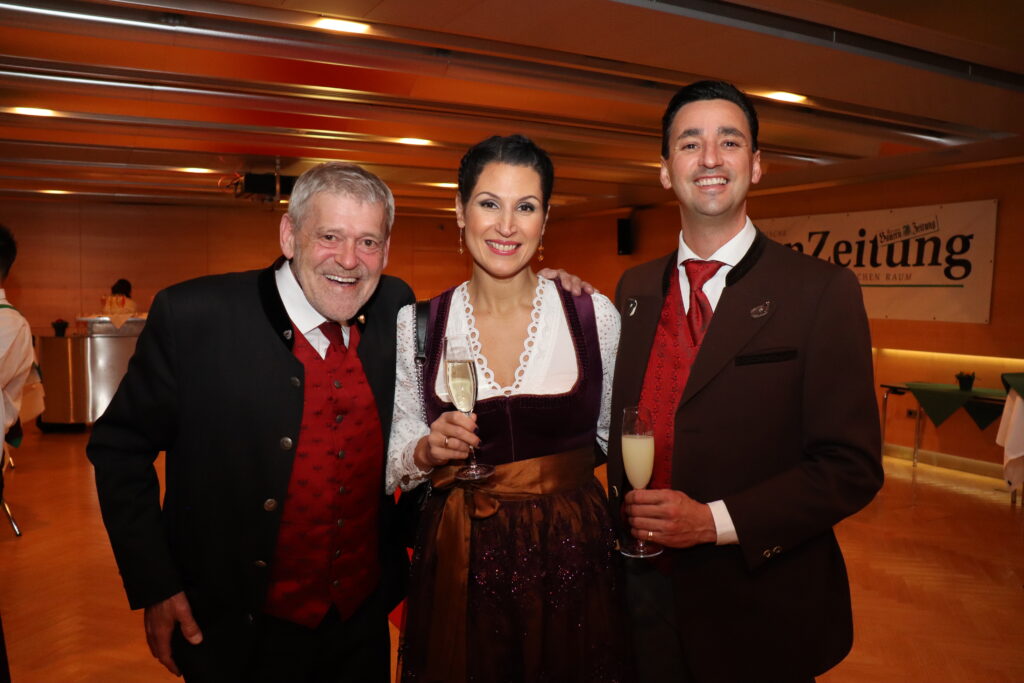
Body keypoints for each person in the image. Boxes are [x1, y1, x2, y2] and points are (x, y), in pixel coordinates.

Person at [88, 162, 415, 683]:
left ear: (386, 250)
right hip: (241, 633)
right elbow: (118, 449)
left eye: (368, 242)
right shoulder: (195, 317)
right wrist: (157, 584)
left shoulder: (396, 306)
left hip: (361, 624)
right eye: (329, 236)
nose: (349, 261)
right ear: (290, 234)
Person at [609, 81, 883, 682]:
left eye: (728, 142)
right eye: (690, 143)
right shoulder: (632, 290)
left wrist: (713, 522)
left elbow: (850, 467)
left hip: (760, 614)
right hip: (637, 606)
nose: (710, 159)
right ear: (664, 171)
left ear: (755, 166)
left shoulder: (819, 291)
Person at [387, 135, 625, 682]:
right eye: (489, 203)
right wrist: (426, 449)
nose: (506, 225)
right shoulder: (417, 327)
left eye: (526, 207)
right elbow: (393, 457)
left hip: (574, 557)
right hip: (460, 560)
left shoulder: (595, 317)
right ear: (460, 211)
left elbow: (614, 433)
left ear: (545, 221)